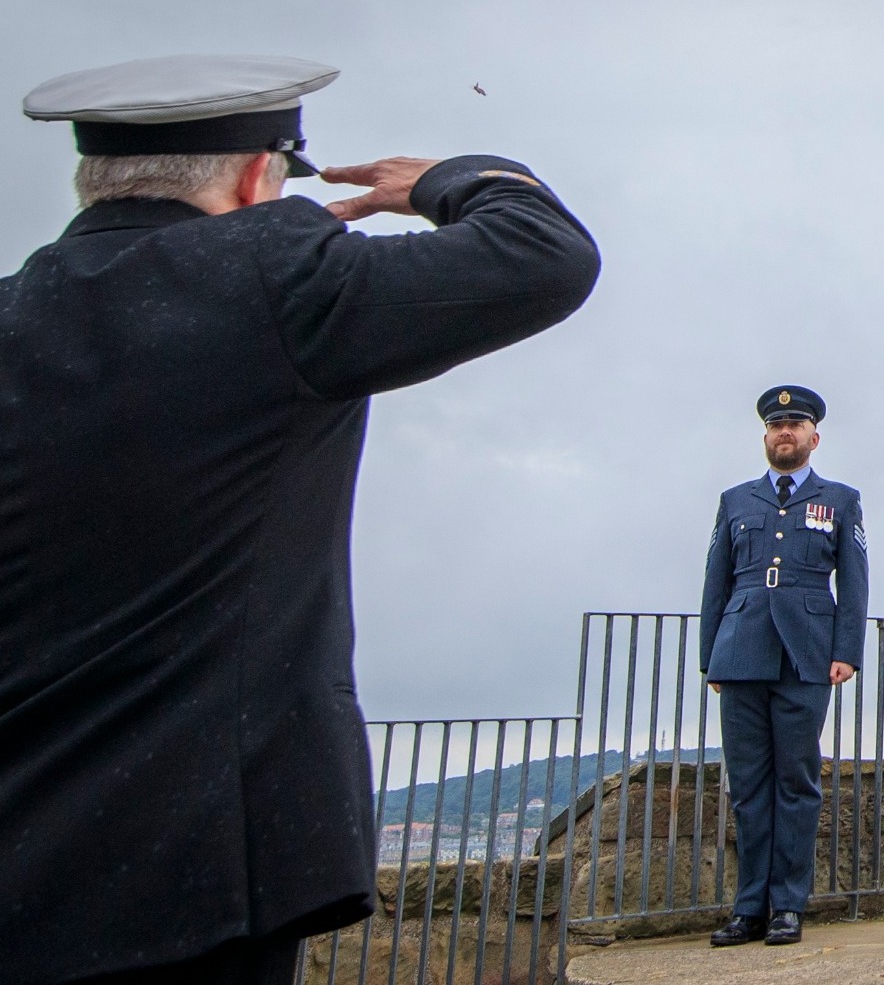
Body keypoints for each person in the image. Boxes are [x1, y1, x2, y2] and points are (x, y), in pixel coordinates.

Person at [0, 55, 600, 984]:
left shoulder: (13, 311)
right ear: (255, 177)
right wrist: (448, 178)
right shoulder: (273, 280)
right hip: (196, 857)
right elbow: (543, 254)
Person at [699, 385, 868, 947]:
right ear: (766, 436)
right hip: (741, 650)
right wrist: (710, 659)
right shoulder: (735, 500)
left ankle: (787, 907)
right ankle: (749, 908)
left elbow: (855, 581)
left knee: (796, 784)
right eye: (777, 425)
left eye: (796, 425)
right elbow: (715, 583)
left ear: (813, 437)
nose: (785, 433)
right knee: (748, 788)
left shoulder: (840, 500)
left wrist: (845, 652)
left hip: (807, 653)